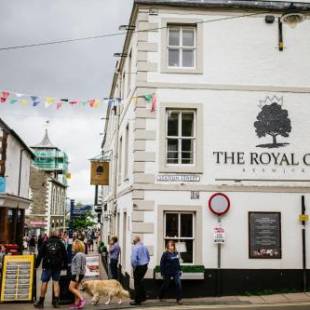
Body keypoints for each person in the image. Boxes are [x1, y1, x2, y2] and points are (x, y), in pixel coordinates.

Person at [34, 230, 68, 309]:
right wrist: (65, 266)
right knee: (56, 283)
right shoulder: (60, 243)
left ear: (49, 235)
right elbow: (65, 256)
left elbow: (40, 255)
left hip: (47, 266)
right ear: (57, 235)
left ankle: (41, 302)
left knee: (44, 283)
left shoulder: (45, 243)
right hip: (57, 266)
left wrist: (36, 265)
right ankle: (56, 302)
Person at [158, 240, 183, 305]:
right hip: (167, 271)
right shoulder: (165, 254)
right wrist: (162, 272)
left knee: (178, 284)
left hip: (176, 271)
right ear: (168, 247)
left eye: (172, 245)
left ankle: (179, 299)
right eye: (170, 246)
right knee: (165, 285)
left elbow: (178, 262)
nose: (171, 247)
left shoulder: (176, 253)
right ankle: (160, 296)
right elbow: (162, 264)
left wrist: (180, 270)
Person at [130, 236, 150, 306]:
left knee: (137, 283)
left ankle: (137, 301)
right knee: (140, 281)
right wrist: (146, 264)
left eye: (133, 241)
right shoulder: (144, 247)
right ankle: (143, 297)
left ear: (135, 241)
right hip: (145, 266)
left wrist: (134, 267)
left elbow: (133, 260)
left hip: (138, 267)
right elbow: (148, 257)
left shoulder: (135, 247)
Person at [68, 240, 87, 309]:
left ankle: (82, 299)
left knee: (71, 288)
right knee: (76, 288)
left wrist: (77, 276)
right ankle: (77, 304)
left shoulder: (78, 255)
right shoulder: (83, 254)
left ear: (77, 247)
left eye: (73, 246)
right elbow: (83, 265)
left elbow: (78, 266)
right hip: (80, 274)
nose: (72, 248)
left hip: (76, 274)